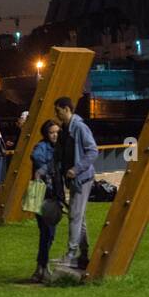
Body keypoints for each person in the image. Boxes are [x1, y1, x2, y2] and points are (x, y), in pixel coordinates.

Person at [54, 97, 98, 271]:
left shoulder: (78, 127)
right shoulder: (67, 128)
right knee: (79, 216)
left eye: (58, 110)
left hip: (81, 178)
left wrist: (76, 169)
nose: (56, 114)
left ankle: (72, 255)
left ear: (66, 109)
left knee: (75, 216)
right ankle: (84, 255)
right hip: (77, 178)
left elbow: (93, 150)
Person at [29, 119, 63, 282]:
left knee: (48, 233)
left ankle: (40, 267)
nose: (55, 135)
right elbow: (36, 157)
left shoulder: (57, 148)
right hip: (43, 195)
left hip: (52, 195)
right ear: (46, 134)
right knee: (48, 232)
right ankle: (42, 267)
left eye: (57, 132)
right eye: (52, 132)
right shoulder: (42, 148)